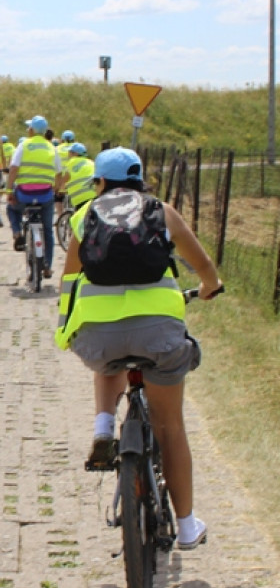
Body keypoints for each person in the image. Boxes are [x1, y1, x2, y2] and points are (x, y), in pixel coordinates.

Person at [56, 147, 222, 551]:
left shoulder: (84, 215)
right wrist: (208, 287)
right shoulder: (161, 211)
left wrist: (66, 330)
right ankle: (185, 526)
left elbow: (68, 282)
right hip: (159, 336)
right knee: (170, 428)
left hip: (97, 336)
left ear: (99, 181)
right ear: (140, 178)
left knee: (107, 359)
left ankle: (101, 426)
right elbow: (203, 267)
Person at [6, 115, 61, 277]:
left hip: (24, 195)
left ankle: (17, 233)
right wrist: (55, 189)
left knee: (11, 209)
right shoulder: (52, 148)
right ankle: (47, 266)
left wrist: (9, 191)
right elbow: (59, 173)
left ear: (31, 130)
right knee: (48, 230)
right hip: (45, 196)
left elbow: (14, 168)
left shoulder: (24, 145)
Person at [55, 142, 96, 215]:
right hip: (94, 195)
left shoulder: (72, 162)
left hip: (80, 198)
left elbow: (65, 179)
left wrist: (60, 190)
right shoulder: (91, 162)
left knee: (78, 221)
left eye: (70, 152)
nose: (68, 154)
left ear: (75, 154)